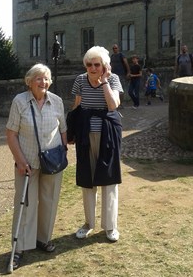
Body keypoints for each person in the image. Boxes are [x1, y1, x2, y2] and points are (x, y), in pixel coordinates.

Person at [6, 63, 67, 271]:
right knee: (25, 204)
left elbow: (63, 129)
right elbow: (11, 134)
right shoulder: (20, 101)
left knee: (49, 201)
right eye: (39, 78)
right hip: (27, 163)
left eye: (46, 78)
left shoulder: (57, 101)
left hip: (52, 162)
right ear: (29, 81)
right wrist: (20, 161)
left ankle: (43, 239)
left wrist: (63, 152)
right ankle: (20, 247)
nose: (43, 82)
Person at [69, 46, 123, 243]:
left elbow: (113, 105)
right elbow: (77, 106)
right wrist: (71, 131)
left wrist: (104, 82)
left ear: (105, 66)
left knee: (109, 179)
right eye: (89, 64)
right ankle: (88, 223)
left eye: (97, 64)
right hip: (85, 133)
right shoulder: (80, 80)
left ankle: (110, 226)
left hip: (108, 133)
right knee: (87, 178)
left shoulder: (113, 79)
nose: (92, 68)